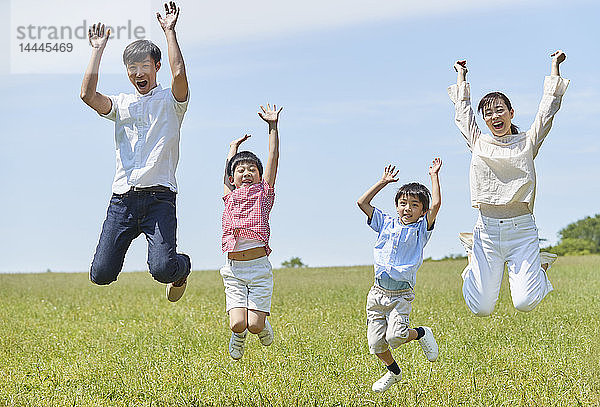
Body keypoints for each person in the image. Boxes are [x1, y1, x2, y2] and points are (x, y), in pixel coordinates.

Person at [80, 2, 191, 302]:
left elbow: (179, 73)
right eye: (133, 67)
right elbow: (87, 95)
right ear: (128, 72)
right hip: (122, 201)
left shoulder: (172, 101)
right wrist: (97, 49)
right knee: (100, 274)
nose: (139, 72)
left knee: (163, 269)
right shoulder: (121, 104)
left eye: (145, 66)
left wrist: (170, 32)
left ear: (156, 67)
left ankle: (183, 268)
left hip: (159, 199)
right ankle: (169, 267)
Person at [448, 50, 569, 316]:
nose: (494, 116)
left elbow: (547, 110)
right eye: (488, 113)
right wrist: (461, 76)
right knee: (481, 308)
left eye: (499, 110)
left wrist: (554, 68)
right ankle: (472, 258)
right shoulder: (478, 141)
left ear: (511, 113)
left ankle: (540, 266)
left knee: (524, 303)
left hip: (522, 231)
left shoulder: (528, 141)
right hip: (486, 231)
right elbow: (462, 113)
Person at [357, 159, 442, 393]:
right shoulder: (385, 222)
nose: (407, 208)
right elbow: (362, 202)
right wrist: (383, 182)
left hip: (400, 294)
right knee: (376, 344)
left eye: (414, 205)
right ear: (396, 206)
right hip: (377, 293)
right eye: (403, 203)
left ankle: (422, 333)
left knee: (395, 337)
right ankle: (394, 372)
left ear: (422, 211)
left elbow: (436, 205)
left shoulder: (421, 229)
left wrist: (433, 175)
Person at [221, 104, 282, 360]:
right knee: (238, 324)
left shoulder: (263, 194)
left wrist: (272, 127)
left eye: (251, 169)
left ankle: (261, 325)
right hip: (234, 271)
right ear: (233, 177)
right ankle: (238, 335)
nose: (246, 173)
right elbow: (225, 174)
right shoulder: (229, 197)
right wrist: (232, 149)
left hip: (258, 270)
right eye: (240, 170)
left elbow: (272, 158)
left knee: (255, 325)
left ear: (259, 176)